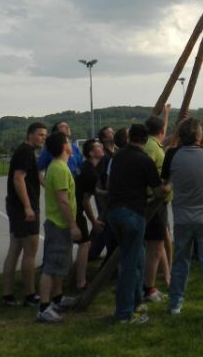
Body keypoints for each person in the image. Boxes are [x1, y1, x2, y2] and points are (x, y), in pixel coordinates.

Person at [162, 117, 203, 319]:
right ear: (199, 135)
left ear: (180, 136)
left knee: (180, 262)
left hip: (182, 218)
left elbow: (166, 179)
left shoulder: (171, 155)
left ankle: (175, 304)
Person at [108, 123, 169, 324]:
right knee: (129, 264)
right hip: (133, 214)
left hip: (114, 213)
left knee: (137, 260)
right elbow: (158, 192)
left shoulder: (117, 158)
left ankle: (136, 302)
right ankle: (125, 314)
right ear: (144, 140)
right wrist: (168, 186)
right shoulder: (144, 160)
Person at [35, 131, 82, 323]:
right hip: (59, 225)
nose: (71, 143)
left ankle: (58, 298)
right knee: (51, 267)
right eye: (69, 141)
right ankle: (44, 308)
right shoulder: (60, 169)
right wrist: (73, 225)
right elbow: (63, 201)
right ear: (64, 147)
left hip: (59, 224)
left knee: (60, 265)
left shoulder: (57, 166)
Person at [2, 122, 47, 308]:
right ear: (30, 135)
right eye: (39, 134)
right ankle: (30, 294)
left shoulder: (27, 152)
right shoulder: (26, 151)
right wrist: (28, 206)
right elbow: (18, 178)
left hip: (16, 207)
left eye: (45, 135)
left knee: (16, 248)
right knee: (30, 252)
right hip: (23, 208)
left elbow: (36, 176)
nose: (42, 138)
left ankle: (8, 294)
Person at [142, 105, 172, 302]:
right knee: (155, 247)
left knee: (158, 245)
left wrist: (166, 115)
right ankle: (149, 288)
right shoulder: (151, 148)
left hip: (158, 202)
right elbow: (146, 170)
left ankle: (152, 284)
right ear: (160, 131)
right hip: (154, 202)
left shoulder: (153, 143)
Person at [73, 138, 106, 292]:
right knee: (85, 244)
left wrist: (106, 192)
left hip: (74, 208)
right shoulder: (90, 172)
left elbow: (91, 190)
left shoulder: (88, 167)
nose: (101, 147)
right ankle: (81, 282)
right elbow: (86, 201)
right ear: (92, 153)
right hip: (75, 210)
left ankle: (72, 277)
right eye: (98, 146)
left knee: (80, 244)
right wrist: (94, 221)